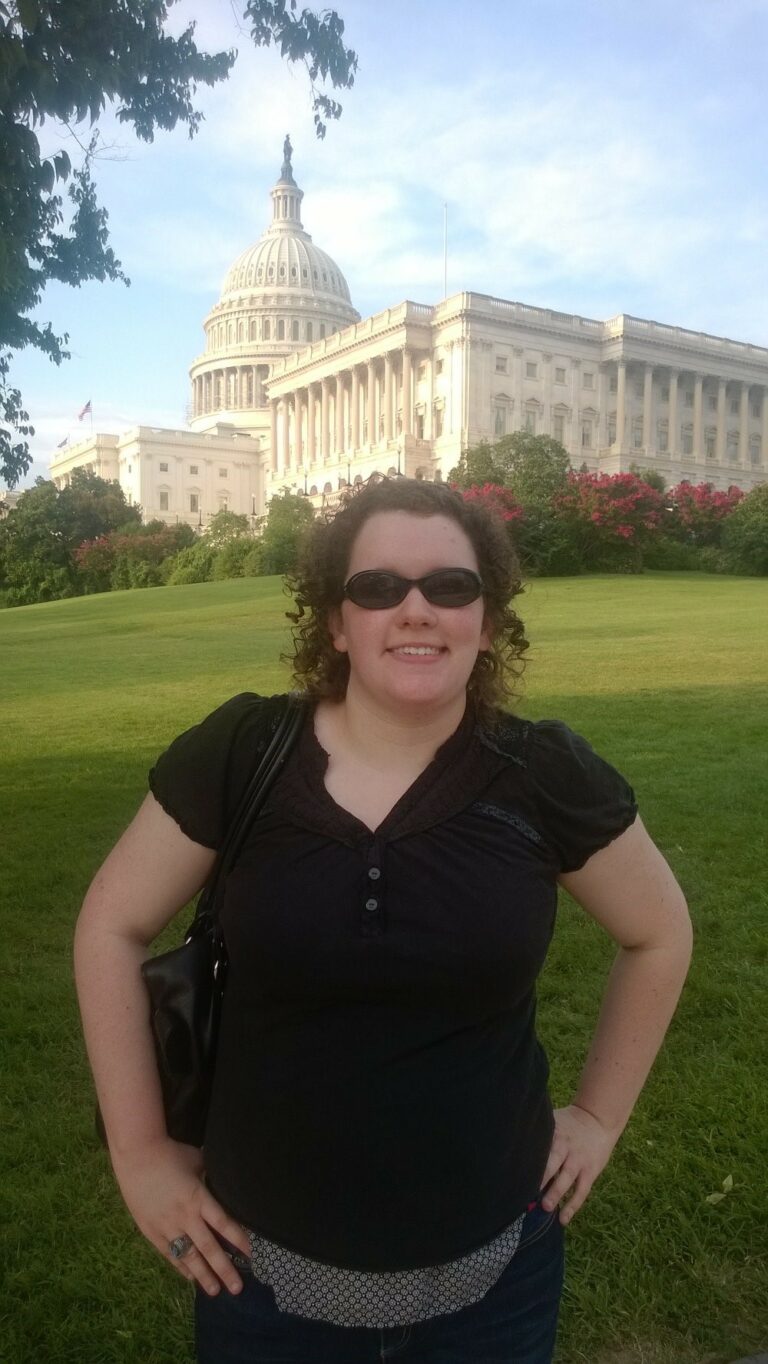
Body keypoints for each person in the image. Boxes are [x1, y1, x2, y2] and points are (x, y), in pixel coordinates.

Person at [74, 477, 692, 1364]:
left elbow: (659, 932)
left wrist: (598, 1116)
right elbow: (109, 926)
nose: (416, 611)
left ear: (487, 616)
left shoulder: (542, 774)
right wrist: (139, 1154)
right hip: (260, 1284)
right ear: (335, 622)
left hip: (495, 1284)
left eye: (450, 586)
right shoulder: (246, 753)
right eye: (377, 588)